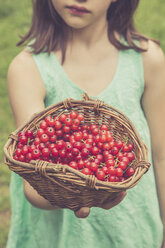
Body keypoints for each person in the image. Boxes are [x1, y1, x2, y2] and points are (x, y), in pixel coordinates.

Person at [6, 0, 165, 247]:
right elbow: (31, 178)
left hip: (132, 233)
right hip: (58, 239)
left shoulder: (147, 59)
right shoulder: (28, 68)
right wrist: (75, 197)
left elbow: (161, 156)